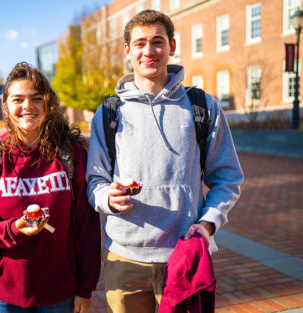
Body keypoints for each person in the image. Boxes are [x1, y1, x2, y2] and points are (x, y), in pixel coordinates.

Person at [86, 10, 244, 313]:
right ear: (127, 50)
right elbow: (94, 181)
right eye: (140, 43)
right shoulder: (108, 112)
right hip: (125, 259)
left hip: (184, 254)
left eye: (157, 42)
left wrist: (208, 224)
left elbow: (228, 178)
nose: (149, 51)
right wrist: (108, 197)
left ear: (171, 45)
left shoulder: (202, 106)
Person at [0, 62, 101, 313]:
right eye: (17, 99)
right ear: (6, 107)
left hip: (59, 289)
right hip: (4, 291)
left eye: (36, 98)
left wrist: (86, 288)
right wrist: (14, 229)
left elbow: (87, 227)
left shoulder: (72, 155)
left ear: (48, 104)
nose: (27, 106)